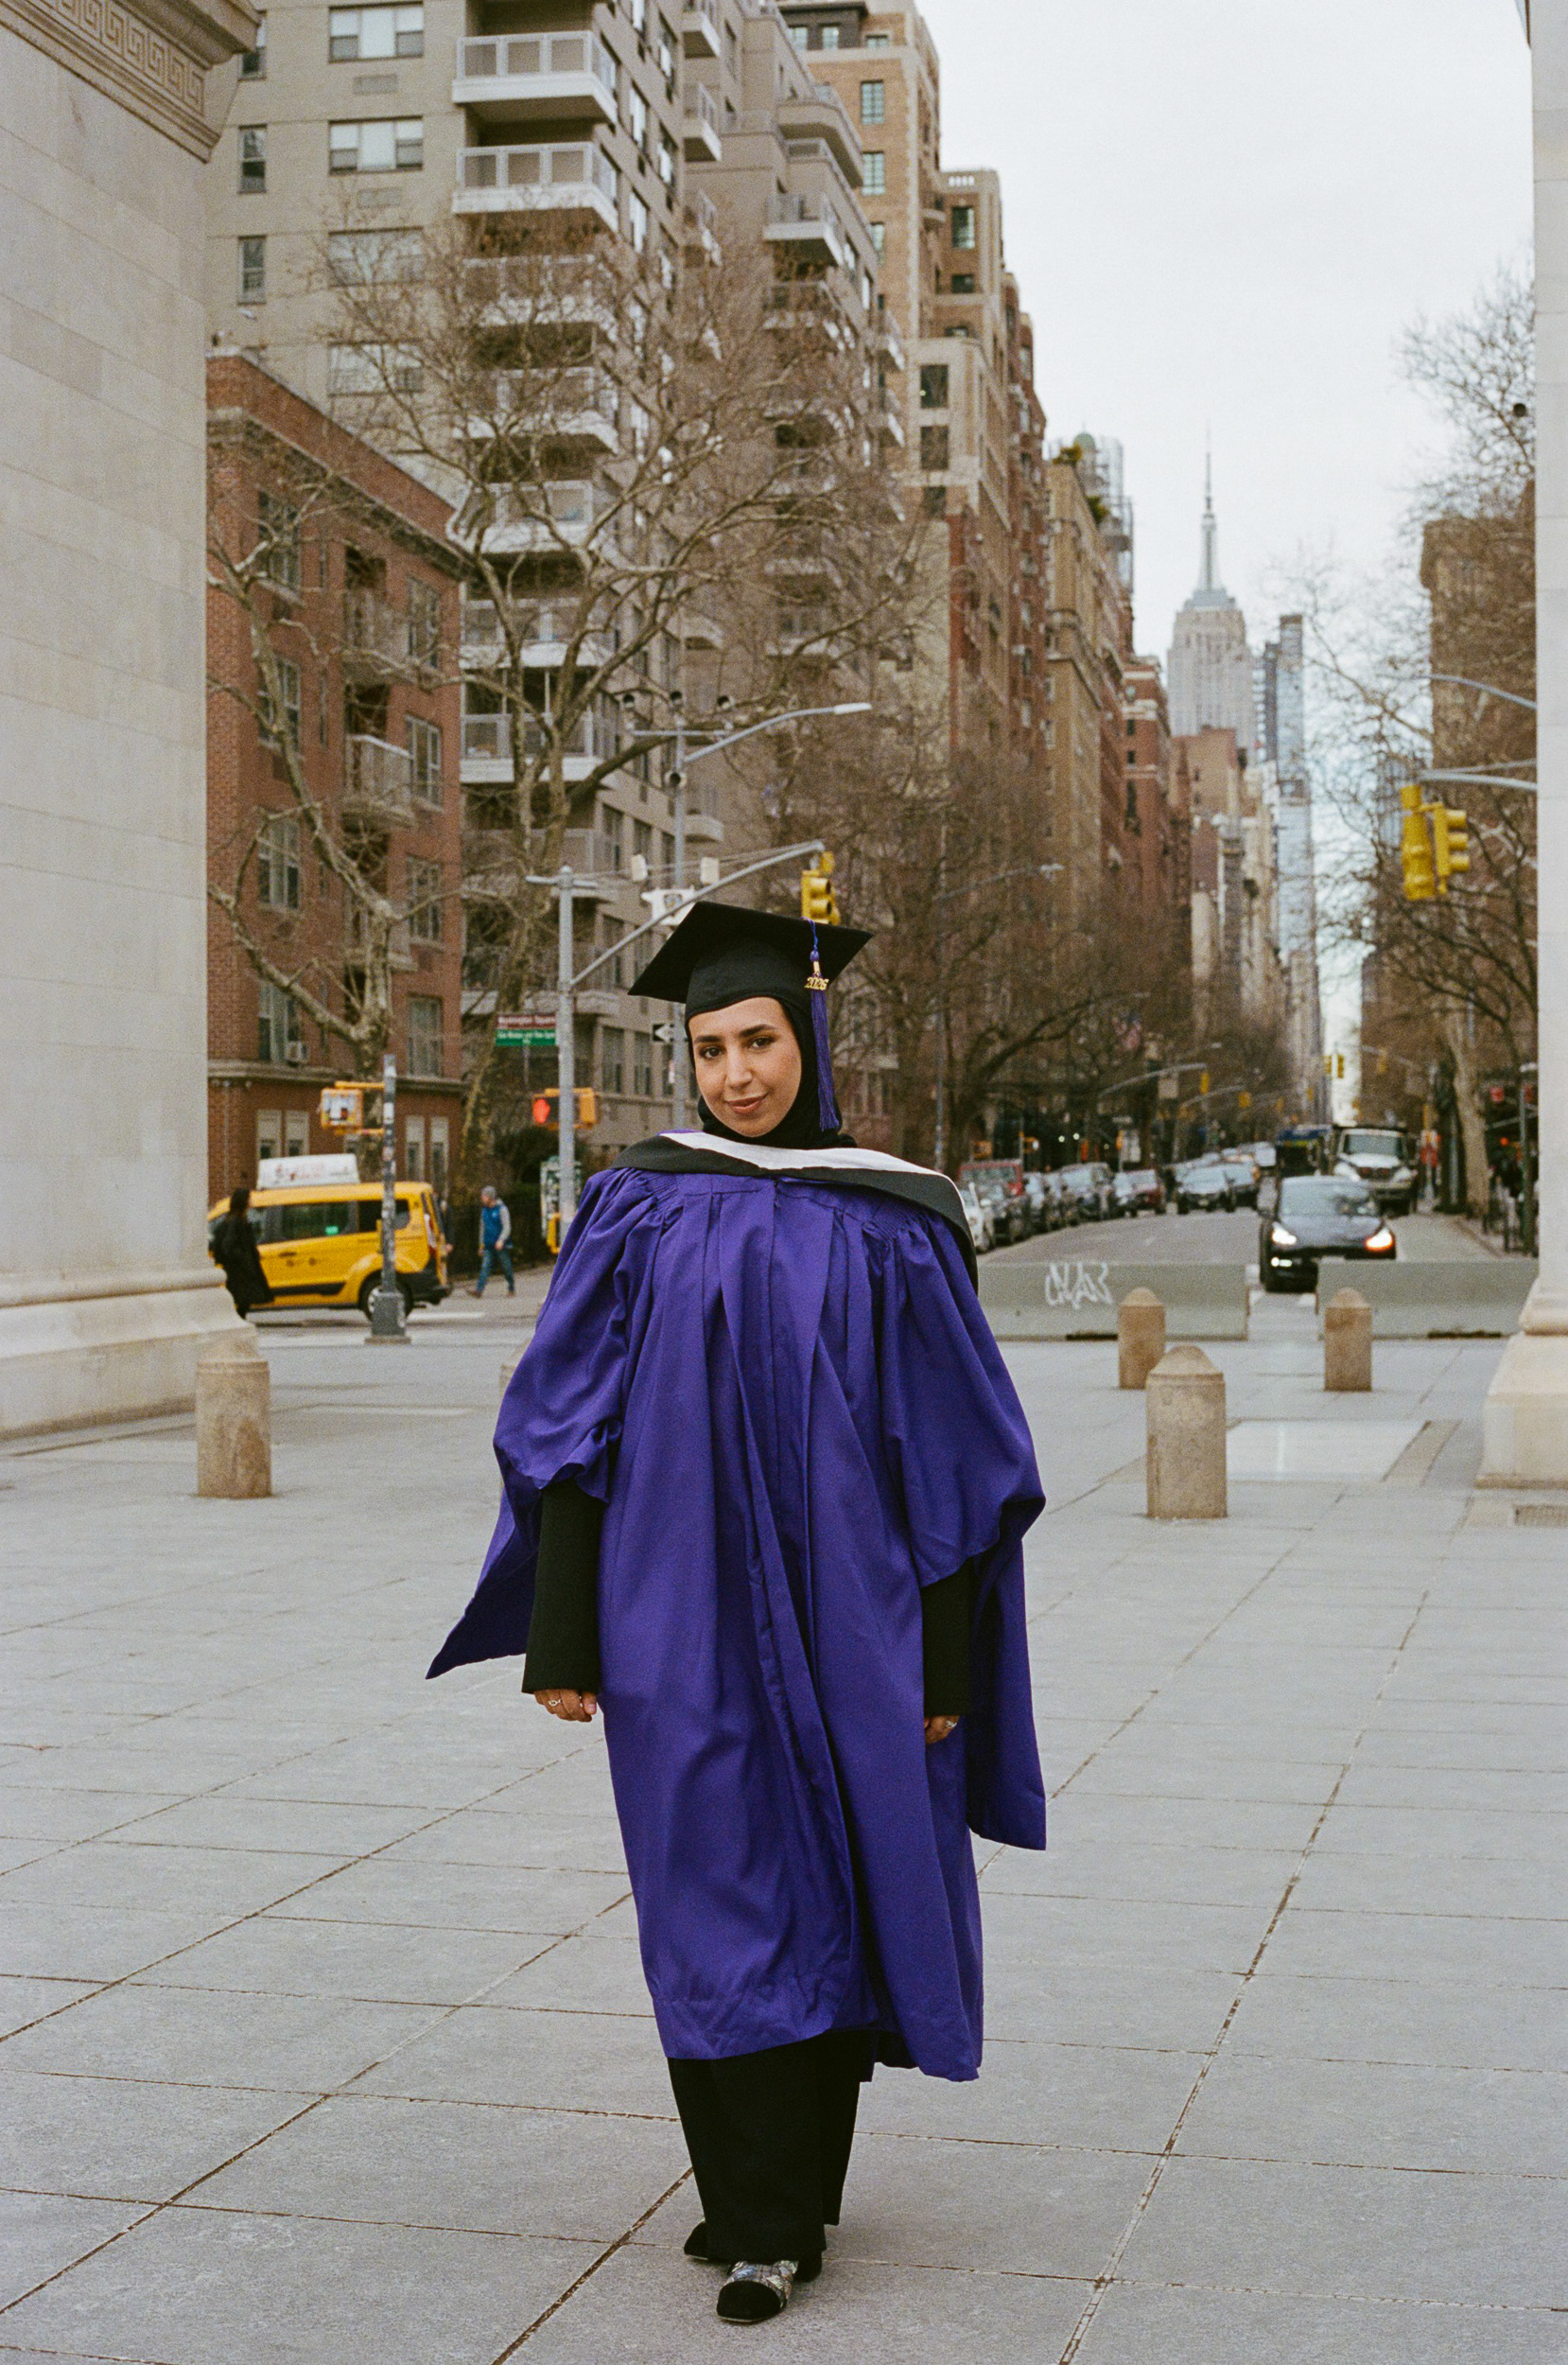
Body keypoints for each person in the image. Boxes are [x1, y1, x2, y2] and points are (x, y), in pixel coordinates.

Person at [429, 902, 1045, 2326]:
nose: (736, 1074)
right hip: (674, 1611)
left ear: (810, 1037)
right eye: (710, 1048)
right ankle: (746, 2199)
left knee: (831, 1871)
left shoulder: (894, 1214)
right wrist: (563, 1635)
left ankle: (785, 2203)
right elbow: (564, 1429)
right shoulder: (640, 1204)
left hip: (857, 1613)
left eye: (759, 1040)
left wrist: (940, 1658)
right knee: (706, 1883)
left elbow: (956, 1454)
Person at [210, 1185, 273, 1318]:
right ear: (243, 1201)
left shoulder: (237, 1220)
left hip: (240, 1269)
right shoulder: (236, 1221)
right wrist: (244, 1258)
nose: (251, 1202)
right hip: (240, 1271)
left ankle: (239, 1319)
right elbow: (229, 1246)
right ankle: (238, 1320)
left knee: (244, 1301)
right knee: (243, 1300)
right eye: (248, 1199)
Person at [473, 1184, 514, 1296]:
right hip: (488, 1244)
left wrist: (501, 1240)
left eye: (484, 1196)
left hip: (500, 1244)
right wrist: (481, 1245)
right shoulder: (484, 1211)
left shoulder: (501, 1209)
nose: (482, 1198)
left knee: (506, 1267)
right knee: (485, 1267)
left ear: (491, 1197)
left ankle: (511, 1286)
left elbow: (507, 1227)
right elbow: (482, 1228)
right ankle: (479, 1290)